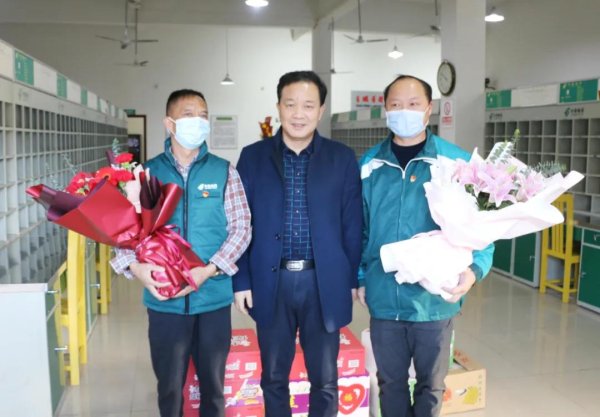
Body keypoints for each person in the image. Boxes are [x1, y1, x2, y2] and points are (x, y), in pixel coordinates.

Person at [358, 75, 494, 417]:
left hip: (433, 300)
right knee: (390, 383)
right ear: (385, 109)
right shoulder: (369, 166)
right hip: (384, 295)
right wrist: (359, 277)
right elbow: (357, 229)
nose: (404, 111)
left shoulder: (456, 163)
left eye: (413, 104)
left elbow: (483, 228)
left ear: (429, 109)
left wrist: (474, 270)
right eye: (396, 104)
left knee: (431, 385)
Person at [111, 89, 251, 417]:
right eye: (189, 115)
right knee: (170, 388)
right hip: (165, 301)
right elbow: (121, 232)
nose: (198, 122)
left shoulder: (224, 171)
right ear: (169, 123)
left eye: (203, 115)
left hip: (212, 299)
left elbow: (242, 227)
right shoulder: (145, 174)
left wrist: (209, 270)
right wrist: (136, 268)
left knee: (213, 389)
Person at [233, 71, 362, 417]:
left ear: (321, 110)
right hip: (270, 281)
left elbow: (352, 225)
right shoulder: (253, 157)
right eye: (290, 105)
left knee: (326, 379)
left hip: (323, 281)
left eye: (308, 105)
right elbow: (239, 223)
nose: (299, 113)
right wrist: (241, 279)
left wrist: (352, 278)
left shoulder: (341, 158)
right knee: (274, 377)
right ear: (278, 107)